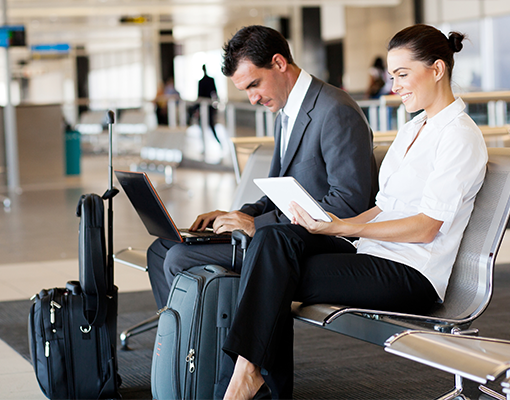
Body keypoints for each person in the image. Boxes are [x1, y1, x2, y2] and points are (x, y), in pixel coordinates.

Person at [220, 24, 489, 400]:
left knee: (272, 271)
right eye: (392, 76)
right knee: (272, 240)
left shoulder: (459, 136)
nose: (394, 86)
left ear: (438, 70)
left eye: (402, 74)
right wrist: (328, 225)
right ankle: (251, 377)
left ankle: (246, 380)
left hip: (411, 273)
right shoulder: (413, 129)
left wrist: (339, 228)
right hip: (373, 256)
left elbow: (427, 227)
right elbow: (383, 207)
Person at [145, 24, 378, 398]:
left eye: (254, 85)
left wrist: (257, 223)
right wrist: (235, 214)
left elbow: (348, 206)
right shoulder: (288, 112)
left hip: (319, 243)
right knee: (160, 250)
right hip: (281, 234)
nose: (252, 98)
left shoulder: (335, 111)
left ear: (279, 62)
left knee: (177, 258)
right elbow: (276, 193)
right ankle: (182, 358)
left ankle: (210, 370)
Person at [188, 64, 220, 143]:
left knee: (210, 125)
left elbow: (213, 93)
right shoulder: (204, 81)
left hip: (207, 106)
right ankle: (206, 144)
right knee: (205, 125)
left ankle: (218, 143)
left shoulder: (205, 81)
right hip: (204, 106)